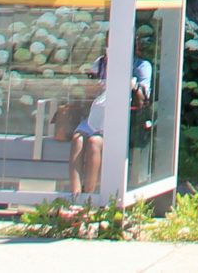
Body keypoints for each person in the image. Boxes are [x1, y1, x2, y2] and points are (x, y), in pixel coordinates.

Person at [66, 34, 154, 197]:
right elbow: (87, 94)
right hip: (97, 115)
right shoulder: (100, 63)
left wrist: (131, 86)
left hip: (122, 119)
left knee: (94, 142)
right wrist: (93, 87)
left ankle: (88, 196)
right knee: (77, 139)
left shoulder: (141, 66)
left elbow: (143, 100)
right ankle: (75, 195)